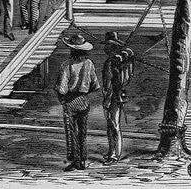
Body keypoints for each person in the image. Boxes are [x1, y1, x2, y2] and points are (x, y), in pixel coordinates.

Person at [56, 34, 101, 171]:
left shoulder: (67, 65)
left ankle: (75, 160)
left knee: (72, 132)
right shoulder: (89, 64)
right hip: (84, 100)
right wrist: (84, 90)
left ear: (72, 50)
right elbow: (95, 85)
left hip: (71, 100)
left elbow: (62, 88)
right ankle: (82, 159)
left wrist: (62, 99)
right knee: (82, 131)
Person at [101, 31, 135, 165]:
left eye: (108, 46)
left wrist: (108, 98)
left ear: (113, 47)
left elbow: (113, 82)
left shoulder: (116, 61)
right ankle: (111, 151)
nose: (105, 48)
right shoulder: (110, 62)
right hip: (109, 96)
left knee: (114, 125)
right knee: (110, 125)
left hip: (114, 96)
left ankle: (115, 155)